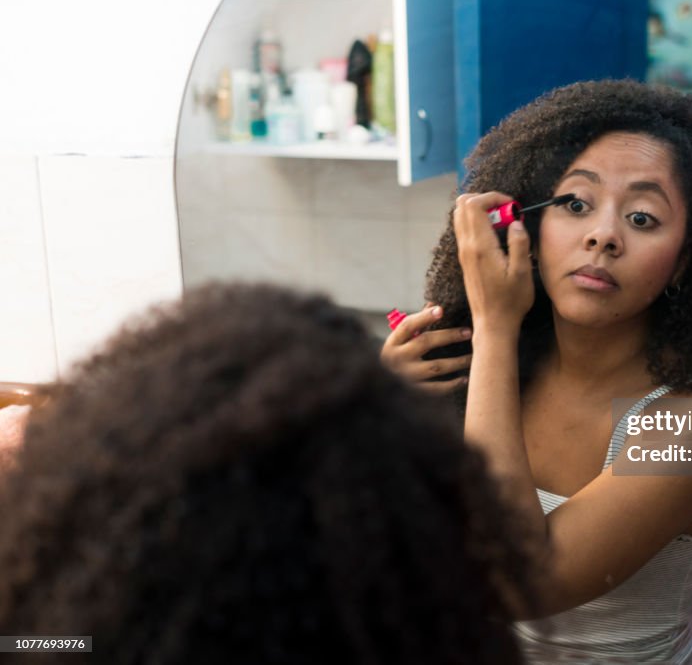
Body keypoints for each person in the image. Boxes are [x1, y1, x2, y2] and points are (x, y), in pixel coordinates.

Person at [381, 80, 692, 663]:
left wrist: (495, 324)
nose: (603, 235)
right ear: (528, 229)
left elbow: (520, 582)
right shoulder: (487, 366)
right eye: (574, 204)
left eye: (643, 218)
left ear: (684, 263)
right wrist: (381, 409)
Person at [0, 283, 537, 665]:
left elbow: (539, 578)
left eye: (629, 215)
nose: (601, 237)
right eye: (576, 205)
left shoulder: (628, 424)